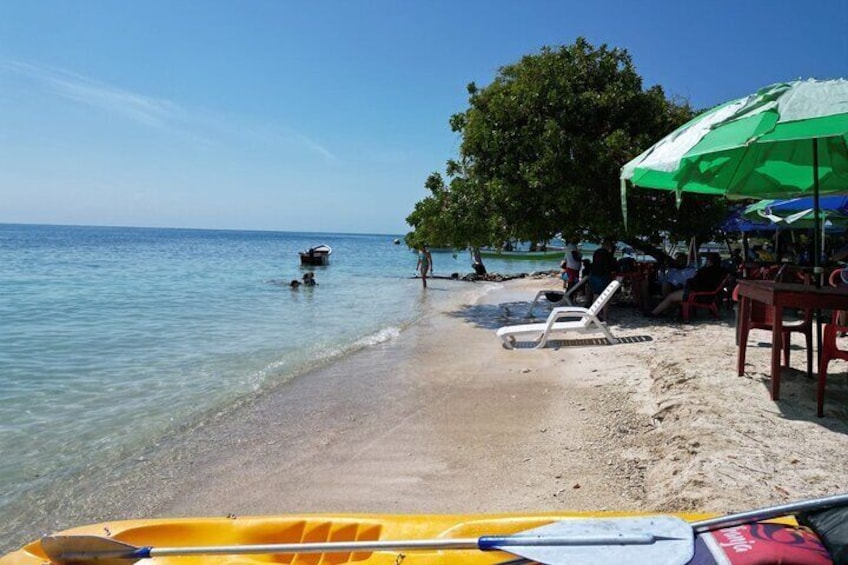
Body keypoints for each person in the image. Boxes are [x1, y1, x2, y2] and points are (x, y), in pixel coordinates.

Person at [647, 253, 726, 317]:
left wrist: (688, 282)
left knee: (670, 297)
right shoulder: (721, 271)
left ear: (710, 261)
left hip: (697, 295)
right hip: (709, 295)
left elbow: (695, 282)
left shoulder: (705, 271)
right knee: (672, 295)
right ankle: (664, 311)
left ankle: (654, 313)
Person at [586, 238, 616, 319]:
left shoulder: (597, 252)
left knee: (596, 295)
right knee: (606, 296)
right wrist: (609, 277)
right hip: (601, 276)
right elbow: (607, 266)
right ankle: (605, 316)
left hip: (594, 275)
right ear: (608, 246)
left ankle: (594, 315)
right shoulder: (605, 253)